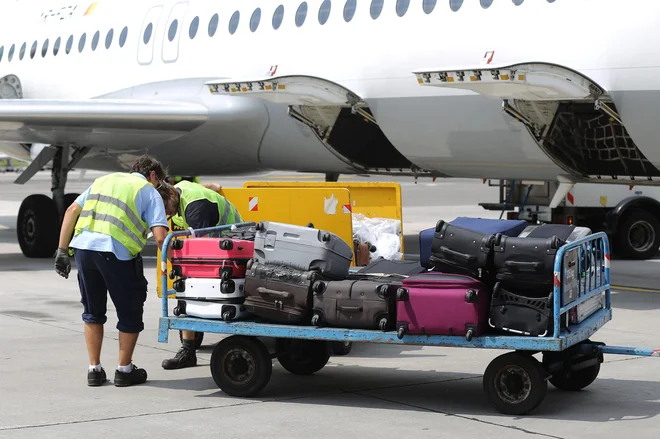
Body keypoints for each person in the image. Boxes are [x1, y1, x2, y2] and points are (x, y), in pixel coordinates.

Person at [54, 155, 171, 387]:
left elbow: (71, 210)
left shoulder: (103, 181)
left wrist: (61, 250)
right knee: (130, 310)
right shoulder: (149, 191)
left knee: (92, 310)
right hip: (115, 252)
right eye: (161, 182)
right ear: (153, 175)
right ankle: (124, 370)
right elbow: (160, 238)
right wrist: (173, 262)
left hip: (83, 250)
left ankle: (94, 370)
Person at [159, 179, 243, 370]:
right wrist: (214, 187)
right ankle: (188, 349)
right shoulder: (180, 190)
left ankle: (188, 349)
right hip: (223, 249)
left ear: (171, 195)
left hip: (234, 249)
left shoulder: (195, 206)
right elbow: (203, 188)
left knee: (188, 283)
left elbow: (202, 248)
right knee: (185, 281)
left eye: (166, 207)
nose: (166, 213)